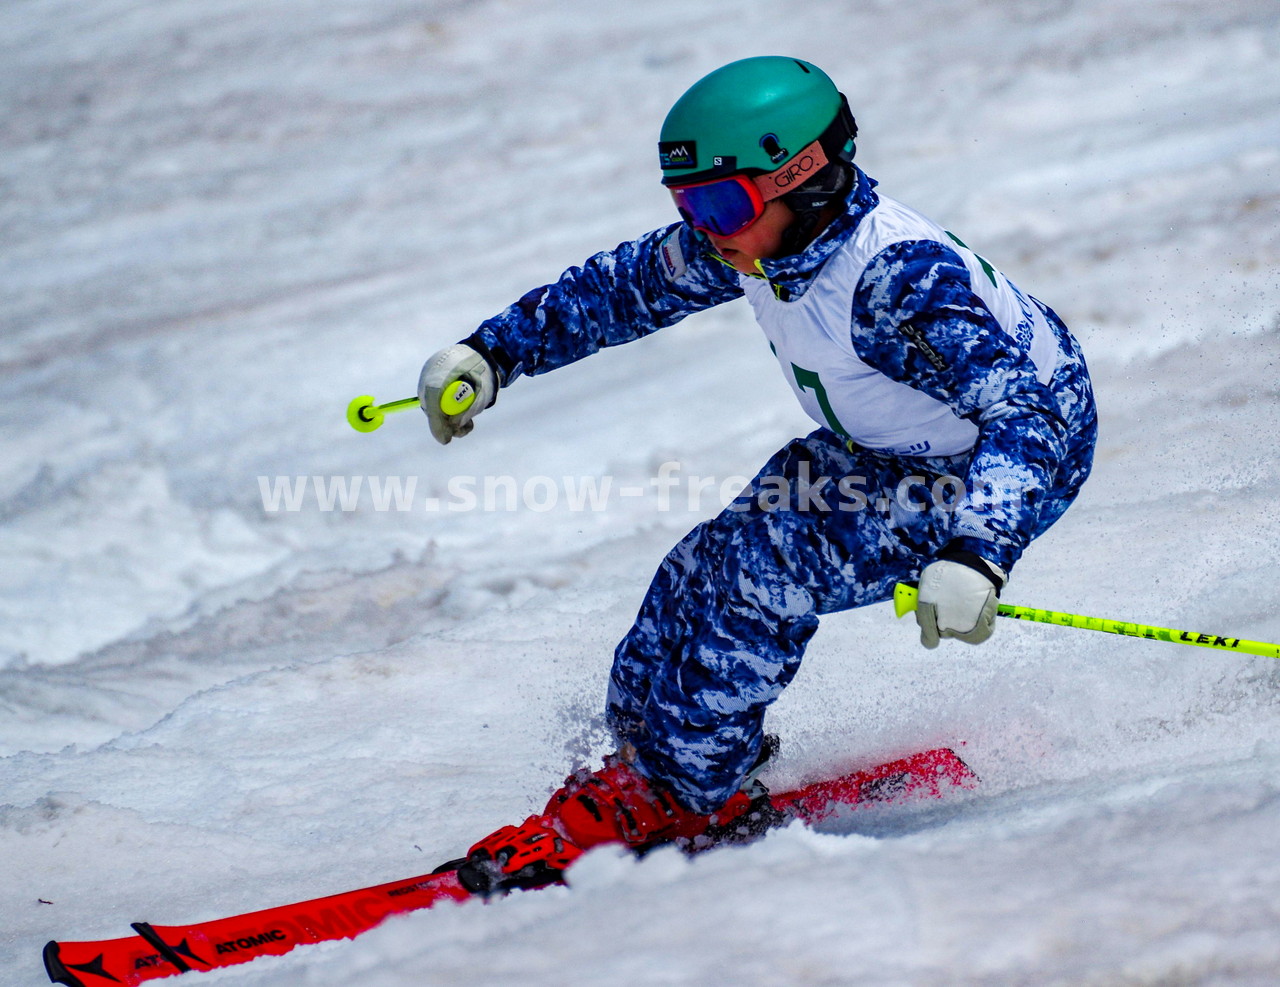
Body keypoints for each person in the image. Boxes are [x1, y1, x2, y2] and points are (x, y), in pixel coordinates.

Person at [416, 56, 1096, 893]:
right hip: (887, 448)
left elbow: (1028, 417)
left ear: (802, 177)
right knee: (699, 570)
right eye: (686, 205)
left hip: (996, 466)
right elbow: (621, 289)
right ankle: (647, 767)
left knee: (764, 576)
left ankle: (681, 794)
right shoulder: (758, 243)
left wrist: (976, 553)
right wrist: (493, 353)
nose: (702, 227)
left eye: (718, 202)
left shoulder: (895, 280)